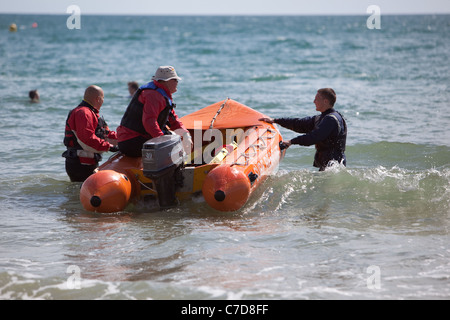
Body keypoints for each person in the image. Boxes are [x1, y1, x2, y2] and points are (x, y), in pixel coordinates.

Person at [259, 88, 347, 171]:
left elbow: (314, 137)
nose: (314, 101)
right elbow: (299, 124)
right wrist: (275, 121)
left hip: (334, 165)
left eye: (316, 99)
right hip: (327, 164)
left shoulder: (331, 119)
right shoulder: (321, 118)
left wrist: (291, 141)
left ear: (325, 101)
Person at [117, 66, 191, 157]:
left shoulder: (161, 94)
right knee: (173, 143)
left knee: (175, 138)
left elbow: (173, 119)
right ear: (166, 81)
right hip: (132, 141)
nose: (177, 82)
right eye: (175, 80)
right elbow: (149, 122)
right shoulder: (154, 95)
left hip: (138, 138)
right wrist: (162, 141)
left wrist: (185, 134)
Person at [62, 85, 119, 182]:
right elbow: (87, 138)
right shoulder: (83, 113)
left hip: (88, 162)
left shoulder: (91, 113)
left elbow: (106, 134)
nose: (103, 101)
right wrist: (109, 147)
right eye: (103, 98)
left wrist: (125, 138)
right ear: (98, 99)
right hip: (80, 164)